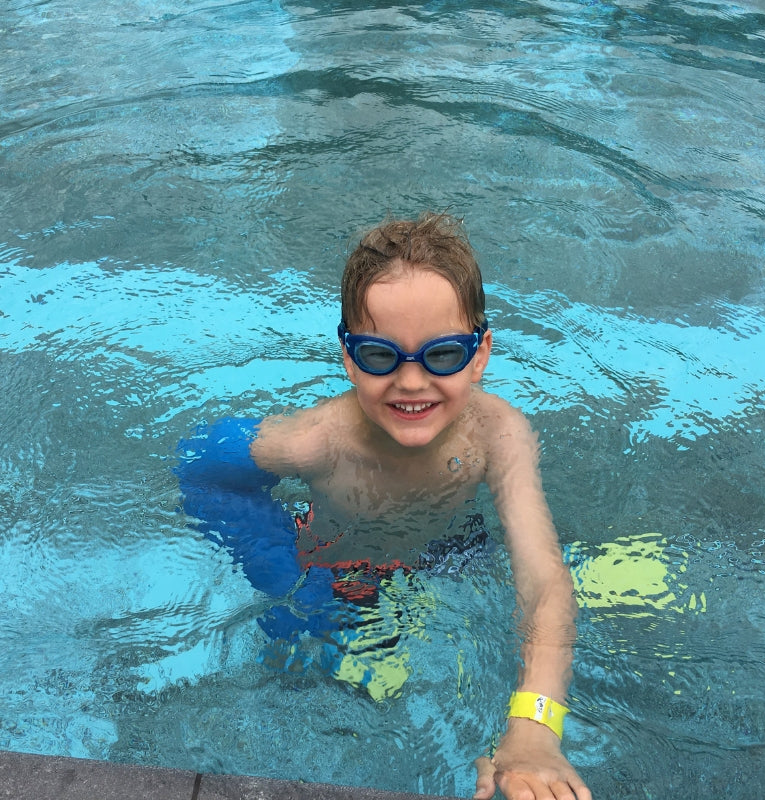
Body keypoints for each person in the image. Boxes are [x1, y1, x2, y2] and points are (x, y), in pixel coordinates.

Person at [180, 212, 591, 800]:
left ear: (480, 353)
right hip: (335, 573)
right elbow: (199, 466)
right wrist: (278, 567)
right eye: (380, 356)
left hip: (450, 557)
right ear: (347, 357)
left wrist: (533, 729)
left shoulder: (498, 434)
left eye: (443, 355)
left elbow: (544, 581)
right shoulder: (319, 441)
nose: (411, 381)